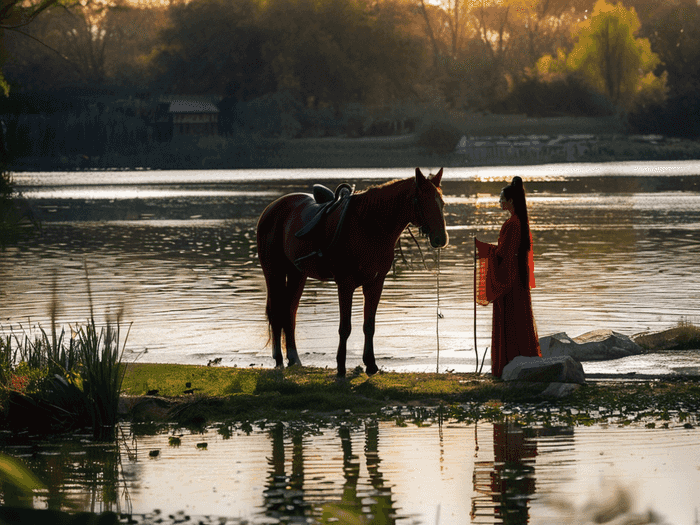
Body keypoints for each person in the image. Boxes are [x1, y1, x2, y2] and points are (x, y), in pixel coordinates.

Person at [476, 176, 541, 377]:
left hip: (509, 279)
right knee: (518, 321)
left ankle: (506, 365)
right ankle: (517, 361)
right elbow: (508, 251)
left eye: (501, 198)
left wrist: (483, 248)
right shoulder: (518, 221)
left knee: (510, 321)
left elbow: (504, 254)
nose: (499, 202)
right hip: (516, 278)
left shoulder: (513, 223)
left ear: (510, 200)